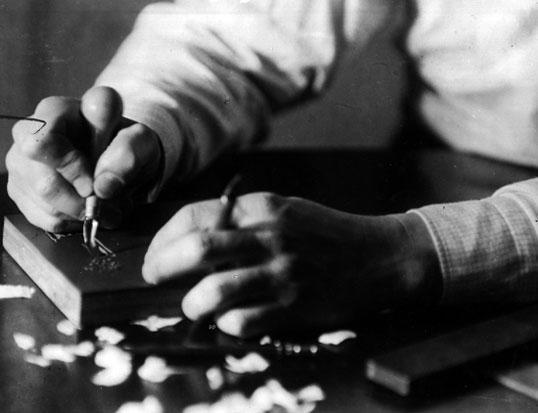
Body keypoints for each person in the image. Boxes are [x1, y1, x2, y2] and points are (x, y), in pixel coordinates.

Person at [7, 0, 538, 337]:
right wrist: (145, 124)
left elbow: (413, 254)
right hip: (445, 167)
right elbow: (235, 32)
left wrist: (414, 250)